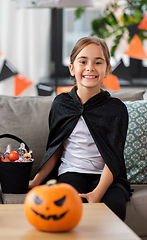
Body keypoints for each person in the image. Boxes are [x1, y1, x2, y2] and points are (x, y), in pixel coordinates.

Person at [29, 37, 131, 221]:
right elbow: (55, 147)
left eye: (98, 62)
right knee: (68, 209)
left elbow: (114, 158)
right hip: (72, 172)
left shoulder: (116, 108)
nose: (90, 67)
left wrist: (97, 193)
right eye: (83, 61)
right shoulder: (61, 104)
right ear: (72, 68)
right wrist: (36, 181)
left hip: (108, 176)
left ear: (107, 70)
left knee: (114, 212)